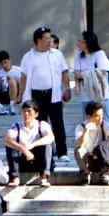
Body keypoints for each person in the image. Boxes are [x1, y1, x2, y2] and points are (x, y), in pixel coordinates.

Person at [19, 26, 72, 167]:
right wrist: (20, 94)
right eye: (47, 38)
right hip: (35, 95)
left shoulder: (56, 54)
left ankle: (62, 152)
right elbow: (23, 76)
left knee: (58, 124)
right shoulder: (28, 57)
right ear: (38, 40)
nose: (50, 41)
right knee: (39, 126)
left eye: (50, 38)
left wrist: (66, 88)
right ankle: (44, 152)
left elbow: (64, 72)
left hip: (53, 94)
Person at [4, 101, 56, 187]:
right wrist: (24, 150)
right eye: (24, 111)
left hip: (39, 161)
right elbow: (7, 140)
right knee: (11, 146)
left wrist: (33, 145)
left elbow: (50, 137)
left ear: (36, 114)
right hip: (23, 161)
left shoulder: (42, 125)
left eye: (29, 111)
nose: (26, 114)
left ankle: (44, 177)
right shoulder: (16, 126)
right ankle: (15, 177)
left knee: (47, 145)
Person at [73, 31, 109, 141]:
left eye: (81, 41)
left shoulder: (100, 54)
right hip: (85, 94)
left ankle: (108, 145)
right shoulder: (78, 56)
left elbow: (102, 72)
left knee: (105, 121)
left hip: (101, 94)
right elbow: (76, 73)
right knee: (88, 121)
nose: (78, 43)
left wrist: (84, 75)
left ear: (88, 43)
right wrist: (77, 85)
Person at [75, 101, 109, 185]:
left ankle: (106, 174)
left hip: (102, 156)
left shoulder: (105, 124)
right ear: (89, 116)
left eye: (101, 115)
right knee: (78, 150)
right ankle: (85, 174)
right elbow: (80, 144)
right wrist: (86, 131)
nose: (100, 118)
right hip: (88, 157)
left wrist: (107, 144)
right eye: (97, 116)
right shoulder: (81, 127)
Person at [0, 50, 24, 115]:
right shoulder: (0, 73)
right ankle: (0, 108)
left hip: (17, 95)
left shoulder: (18, 70)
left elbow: (22, 85)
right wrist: (0, 86)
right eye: (1, 64)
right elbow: (0, 89)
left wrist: (19, 97)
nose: (4, 65)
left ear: (10, 60)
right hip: (5, 94)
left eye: (5, 62)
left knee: (11, 79)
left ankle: (12, 106)